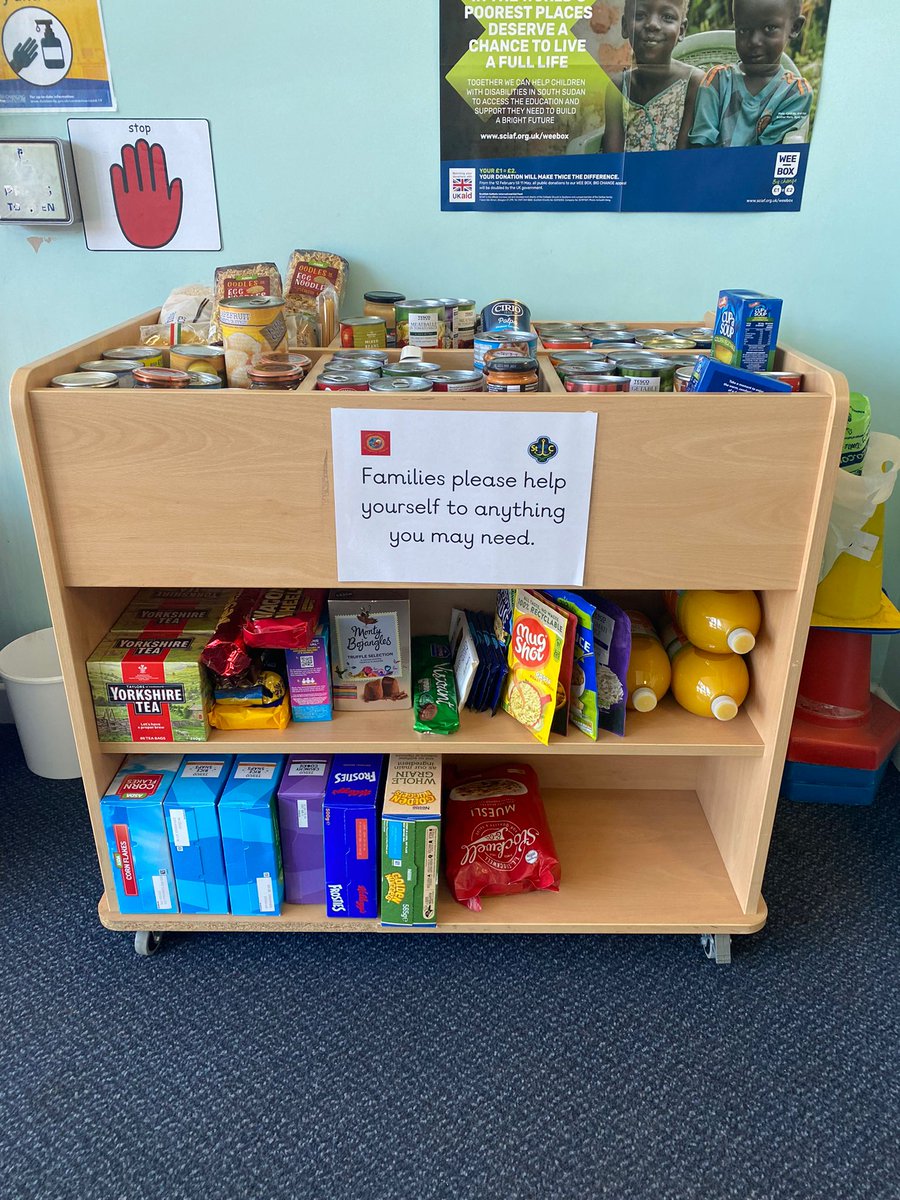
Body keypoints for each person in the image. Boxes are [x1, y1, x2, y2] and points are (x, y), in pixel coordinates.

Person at [689, 0, 812, 147]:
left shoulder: (794, 93)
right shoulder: (717, 81)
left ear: (794, 27)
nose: (754, 41)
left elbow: (769, 155)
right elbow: (701, 147)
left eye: (769, 28)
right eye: (743, 30)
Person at [603, 0, 703, 153]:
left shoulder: (693, 83)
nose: (652, 25)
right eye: (640, 15)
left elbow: (683, 159)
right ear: (625, 26)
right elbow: (612, 158)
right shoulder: (618, 86)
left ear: (681, 30)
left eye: (667, 17)